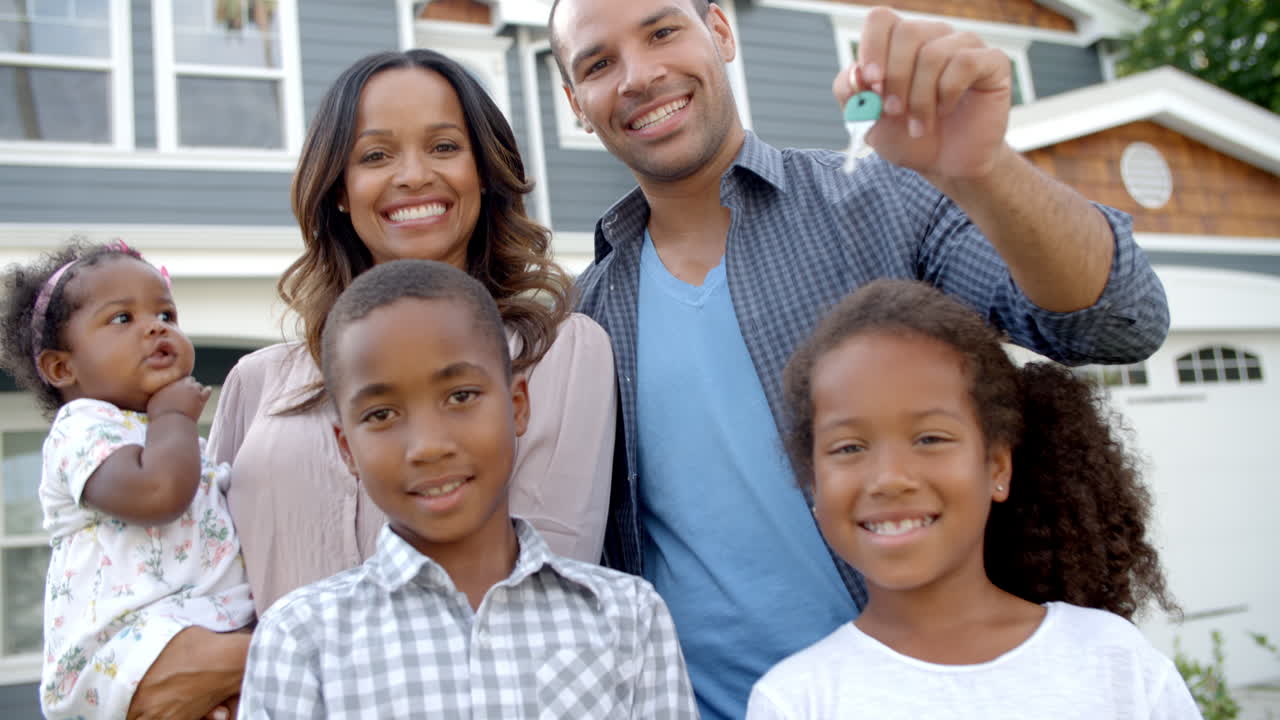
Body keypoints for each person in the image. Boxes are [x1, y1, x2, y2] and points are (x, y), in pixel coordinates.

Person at [547, 1, 1171, 717]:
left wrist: (982, 166)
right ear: (576, 105)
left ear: (721, 33)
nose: (640, 74)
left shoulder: (882, 200)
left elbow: (1119, 323)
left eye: (662, 32)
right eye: (599, 64)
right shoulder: (586, 317)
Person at [207, 49, 616, 620]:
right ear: (341, 191)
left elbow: (538, 598)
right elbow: (201, 580)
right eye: (375, 155)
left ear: (484, 173)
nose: (413, 175)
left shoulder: (562, 354)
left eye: (445, 147)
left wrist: (273, 658)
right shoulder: (256, 385)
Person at [237, 259, 697, 719]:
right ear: (346, 449)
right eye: (381, 414)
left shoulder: (627, 617)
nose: (429, 447)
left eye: (460, 396)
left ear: (518, 406)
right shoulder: (301, 638)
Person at [743, 278, 1199, 719]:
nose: (889, 479)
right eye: (848, 448)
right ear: (814, 484)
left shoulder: (1114, 662)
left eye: (930, 439)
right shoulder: (796, 701)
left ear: (997, 468)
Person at [0, 240, 255, 720]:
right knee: (297, 649)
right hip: (121, 652)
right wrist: (174, 416)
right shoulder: (82, 427)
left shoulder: (168, 434)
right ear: (62, 367)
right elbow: (157, 495)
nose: (156, 326)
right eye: (123, 319)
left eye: (168, 315)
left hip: (193, 638)